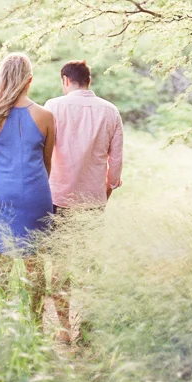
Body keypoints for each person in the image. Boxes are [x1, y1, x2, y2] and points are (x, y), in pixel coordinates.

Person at [0, 52, 55, 321]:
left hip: (1, 196)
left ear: (2, 79)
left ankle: (2, 320)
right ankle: (36, 321)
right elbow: (47, 163)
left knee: (1, 262)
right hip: (36, 194)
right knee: (35, 262)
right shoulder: (46, 116)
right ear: (29, 81)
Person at [44, 59, 123, 342]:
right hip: (93, 202)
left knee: (61, 263)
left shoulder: (53, 106)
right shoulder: (110, 111)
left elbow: (42, 151)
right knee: (89, 262)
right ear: (89, 80)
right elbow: (116, 165)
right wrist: (106, 191)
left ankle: (64, 329)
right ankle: (87, 329)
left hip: (58, 197)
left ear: (66, 80)